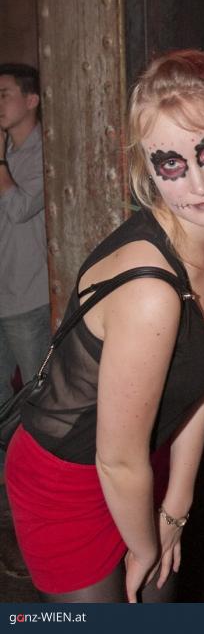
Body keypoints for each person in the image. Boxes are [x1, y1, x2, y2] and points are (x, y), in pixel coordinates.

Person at [5, 49, 204, 603]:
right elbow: (115, 460)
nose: (199, 184)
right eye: (170, 164)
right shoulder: (150, 294)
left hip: (140, 460)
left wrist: (178, 504)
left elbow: (201, 381)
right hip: (68, 479)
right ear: (148, 170)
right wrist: (145, 545)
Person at [0, 65, 50, 471]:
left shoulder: (45, 151)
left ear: (31, 100)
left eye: (4, 95)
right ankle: (8, 470)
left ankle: (38, 471)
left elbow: (19, 209)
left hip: (28, 295)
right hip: (2, 289)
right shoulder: (6, 150)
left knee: (37, 392)